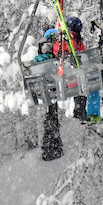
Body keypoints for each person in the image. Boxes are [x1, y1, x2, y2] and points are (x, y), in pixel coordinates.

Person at [35, 28, 63, 160]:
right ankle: (52, 146)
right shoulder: (48, 52)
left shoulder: (43, 53)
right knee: (52, 112)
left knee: (51, 111)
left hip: (49, 84)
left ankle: (52, 145)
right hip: (52, 82)